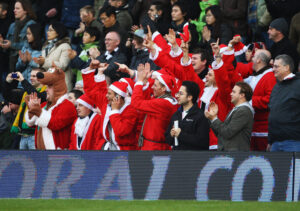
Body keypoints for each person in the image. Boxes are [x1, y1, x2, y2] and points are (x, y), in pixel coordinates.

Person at [81, 61, 139, 150]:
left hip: (125, 152)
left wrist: (115, 111)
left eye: (109, 94)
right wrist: (91, 69)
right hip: (106, 148)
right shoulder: (106, 103)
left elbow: (121, 131)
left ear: (118, 97)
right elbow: (91, 90)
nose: (106, 96)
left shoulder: (131, 110)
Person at [25, 65, 77, 150]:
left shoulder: (67, 105)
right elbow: (31, 124)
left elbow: (55, 124)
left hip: (59, 157)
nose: (46, 90)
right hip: (41, 155)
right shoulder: (45, 105)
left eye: (49, 87)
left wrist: (39, 112)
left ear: (57, 88)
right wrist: (31, 110)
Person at [131, 63, 178, 150]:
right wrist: (145, 82)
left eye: (155, 85)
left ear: (163, 88)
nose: (152, 87)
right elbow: (145, 102)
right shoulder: (165, 100)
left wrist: (139, 82)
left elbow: (136, 103)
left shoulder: (163, 103)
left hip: (154, 148)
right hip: (151, 145)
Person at [205, 81, 254, 151]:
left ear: (242, 95)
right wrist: (212, 118)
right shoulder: (236, 110)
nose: (231, 94)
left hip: (236, 155)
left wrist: (214, 119)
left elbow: (227, 132)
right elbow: (221, 134)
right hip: (229, 154)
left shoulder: (243, 111)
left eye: (234, 92)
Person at [5, 68, 47, 150]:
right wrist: (7, 82)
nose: (31, 78)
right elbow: (7, 96)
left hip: (36, 136)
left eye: (34, 76)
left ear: (43, 78)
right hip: (23, 136)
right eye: (30, 76)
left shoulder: (46, 92)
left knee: (37, 162)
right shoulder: (25, 93)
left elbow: (37, 96)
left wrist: (23, 81)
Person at [268, 54, 300, 152]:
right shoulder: (276, 87)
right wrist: (270, 141)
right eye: (273, 66)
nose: (273, 69)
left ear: (287, 67)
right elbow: (272, 112)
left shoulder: (298, 84)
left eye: (276, 66)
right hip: (275, 143)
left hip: (294, 142)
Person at [165, 81, 209, 150]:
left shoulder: (200, 116)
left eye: (181, 94)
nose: (177, 96)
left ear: (189, 97)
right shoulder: (176, 115)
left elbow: (202, 142)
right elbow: (168, 140)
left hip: (191, 159)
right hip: (176, 157)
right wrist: (171, 135)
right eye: (178, 93)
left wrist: (181, 135)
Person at [33, 22, 73, 90]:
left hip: (61, 85)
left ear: (58, 32)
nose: (47, 32)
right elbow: (44, 66)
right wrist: (39, 63)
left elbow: (63, 66)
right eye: (48, 30)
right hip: (48, 84)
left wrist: (44, 62)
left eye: (50, 30)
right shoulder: (46, 46)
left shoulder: (65, 46)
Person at [0, 0, 36, 73]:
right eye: (14, 8)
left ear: (26, 10)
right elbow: (8, 42)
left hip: (24, 64)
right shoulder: (12, 25)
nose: (14, 10)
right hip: (11, 63)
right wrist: (2, 42)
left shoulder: (31, 25)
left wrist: (11, 45)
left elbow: (29, 45)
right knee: (11, 81)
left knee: (19, 81)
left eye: (17, 8)